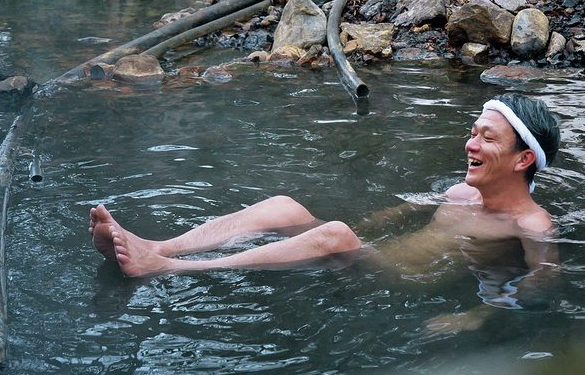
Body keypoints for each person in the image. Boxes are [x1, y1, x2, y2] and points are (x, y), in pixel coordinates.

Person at [88, 93, 561, 296]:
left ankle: (170, 269)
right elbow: (390, 217)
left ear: (523, 160)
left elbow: (542, 281)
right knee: (284, 207)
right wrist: (347, 231)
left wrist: (477, 320)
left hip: (401, 279)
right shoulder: (460, 193)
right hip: (375, 256)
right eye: (473, 132)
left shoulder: (532, 225)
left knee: (334, 233)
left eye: (487, 139)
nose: (470, 144)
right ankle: (157, 246)